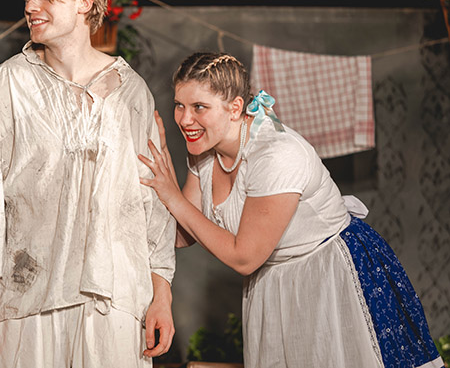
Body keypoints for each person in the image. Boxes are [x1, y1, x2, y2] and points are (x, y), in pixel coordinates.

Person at [0, 0, 176, 368]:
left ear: (85, 2)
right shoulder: (6, 86)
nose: (31, 6)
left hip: (113, 299)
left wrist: (162, 295)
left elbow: (150, 206)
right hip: (26, 298)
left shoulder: (130, 92)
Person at [138, 52, 443, 368]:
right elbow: (182, 234)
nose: (185, 119)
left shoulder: (277, 156)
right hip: (272, 282)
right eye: (179, 105)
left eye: (199, 107)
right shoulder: (204, 151)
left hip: (329, 276)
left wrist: (173, 197)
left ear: (235, 107)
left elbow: (244, 257)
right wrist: (163, 162)